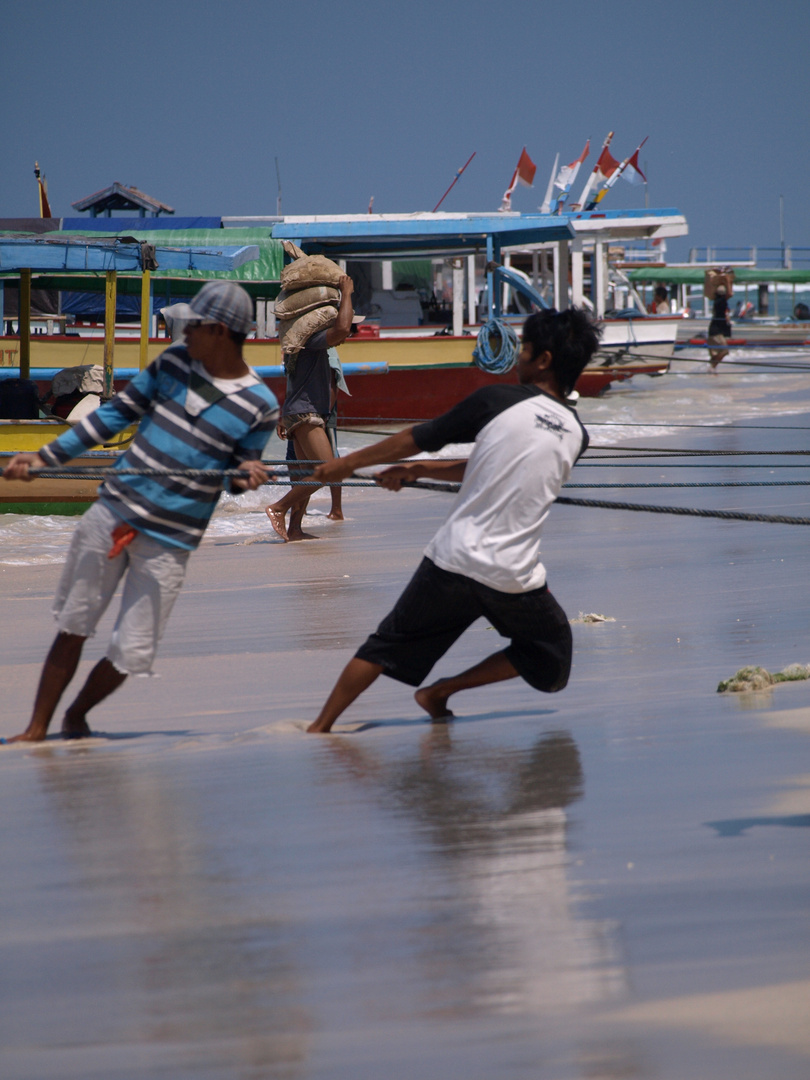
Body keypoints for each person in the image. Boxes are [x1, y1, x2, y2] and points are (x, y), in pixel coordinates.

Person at [1, 281, 279, 742]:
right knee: (76, 623)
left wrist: (247, 475)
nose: (182, 332)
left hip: (172, 538)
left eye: (191, 326)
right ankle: (36, 728)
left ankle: (76, 716)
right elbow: (113, 416)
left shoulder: (260, 405)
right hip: (114, 514)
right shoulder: (171, 364)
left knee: (133, 649)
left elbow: (234, 474)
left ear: (219, 330)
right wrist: (46, 457)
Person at [304, 307, 600, 734]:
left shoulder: (495, 400)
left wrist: (345, 464)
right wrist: (421, 471)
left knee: (386, 645)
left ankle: (321, 726)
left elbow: (417, 437)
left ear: (544, 361)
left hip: (454, 561)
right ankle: (440, 692)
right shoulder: (577, 434)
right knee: (551, 654)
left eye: (525, 350)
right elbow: (496, 464)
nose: (518, 359)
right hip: (512, 576)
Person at [266, 275, 355, 541]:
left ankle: (294, 529)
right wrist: (347, 293)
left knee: (305, 475)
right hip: (307, 415)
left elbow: (293, 382)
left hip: (297, 412)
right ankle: (277, 508)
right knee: (329, 471)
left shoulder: (297, 340)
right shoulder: (311, 340)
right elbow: (342, 330)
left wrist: (284, 415)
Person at [708, 284, 731, 370]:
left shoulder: (717, 301)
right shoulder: (722, 302)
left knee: (715, 355)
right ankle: (712, 368)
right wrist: (728, 281)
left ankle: (710, 370)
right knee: (724, 351)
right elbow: (730, 294)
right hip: (716, 332)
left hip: (714, 331)